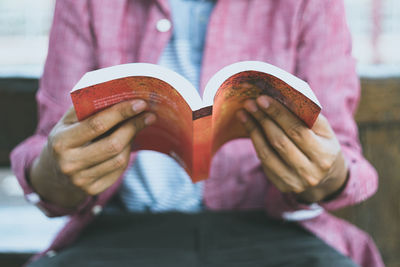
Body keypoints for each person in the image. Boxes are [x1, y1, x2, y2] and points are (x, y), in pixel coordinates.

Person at [11, 0, 384, 266]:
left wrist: (325, 174)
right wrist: (56, 172)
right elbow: (51, 144)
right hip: (122, 231)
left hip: (272, 229)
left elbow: (344, 155)